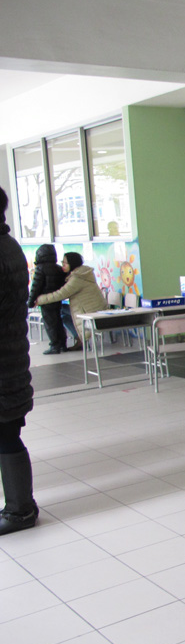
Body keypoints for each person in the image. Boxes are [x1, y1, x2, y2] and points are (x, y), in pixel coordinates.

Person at [0, 186, 37, 535]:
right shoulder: (8, 244)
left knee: (6, 435)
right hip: (10, 358)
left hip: (4, 364)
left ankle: (21, 510)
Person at [34, 252, 107, 345]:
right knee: (63, 314)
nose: (62, 265)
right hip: (91, 308)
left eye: (65, 263)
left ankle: (80, 340)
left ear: (72, 263)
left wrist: (39, 300)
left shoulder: (78, 278)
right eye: (62, 262)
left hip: (92, 311)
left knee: (61, 310)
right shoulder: (81, 273)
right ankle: (79, 338)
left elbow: (61, 294)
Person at [27, 244, 68, 354]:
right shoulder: (58, 268)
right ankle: (63, 344)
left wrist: (30, 301)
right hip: (57, 299)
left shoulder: (40, 269)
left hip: (45, 300)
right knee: (58, 321)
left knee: (50, 324)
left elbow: (35, 287)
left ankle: (54, 345)